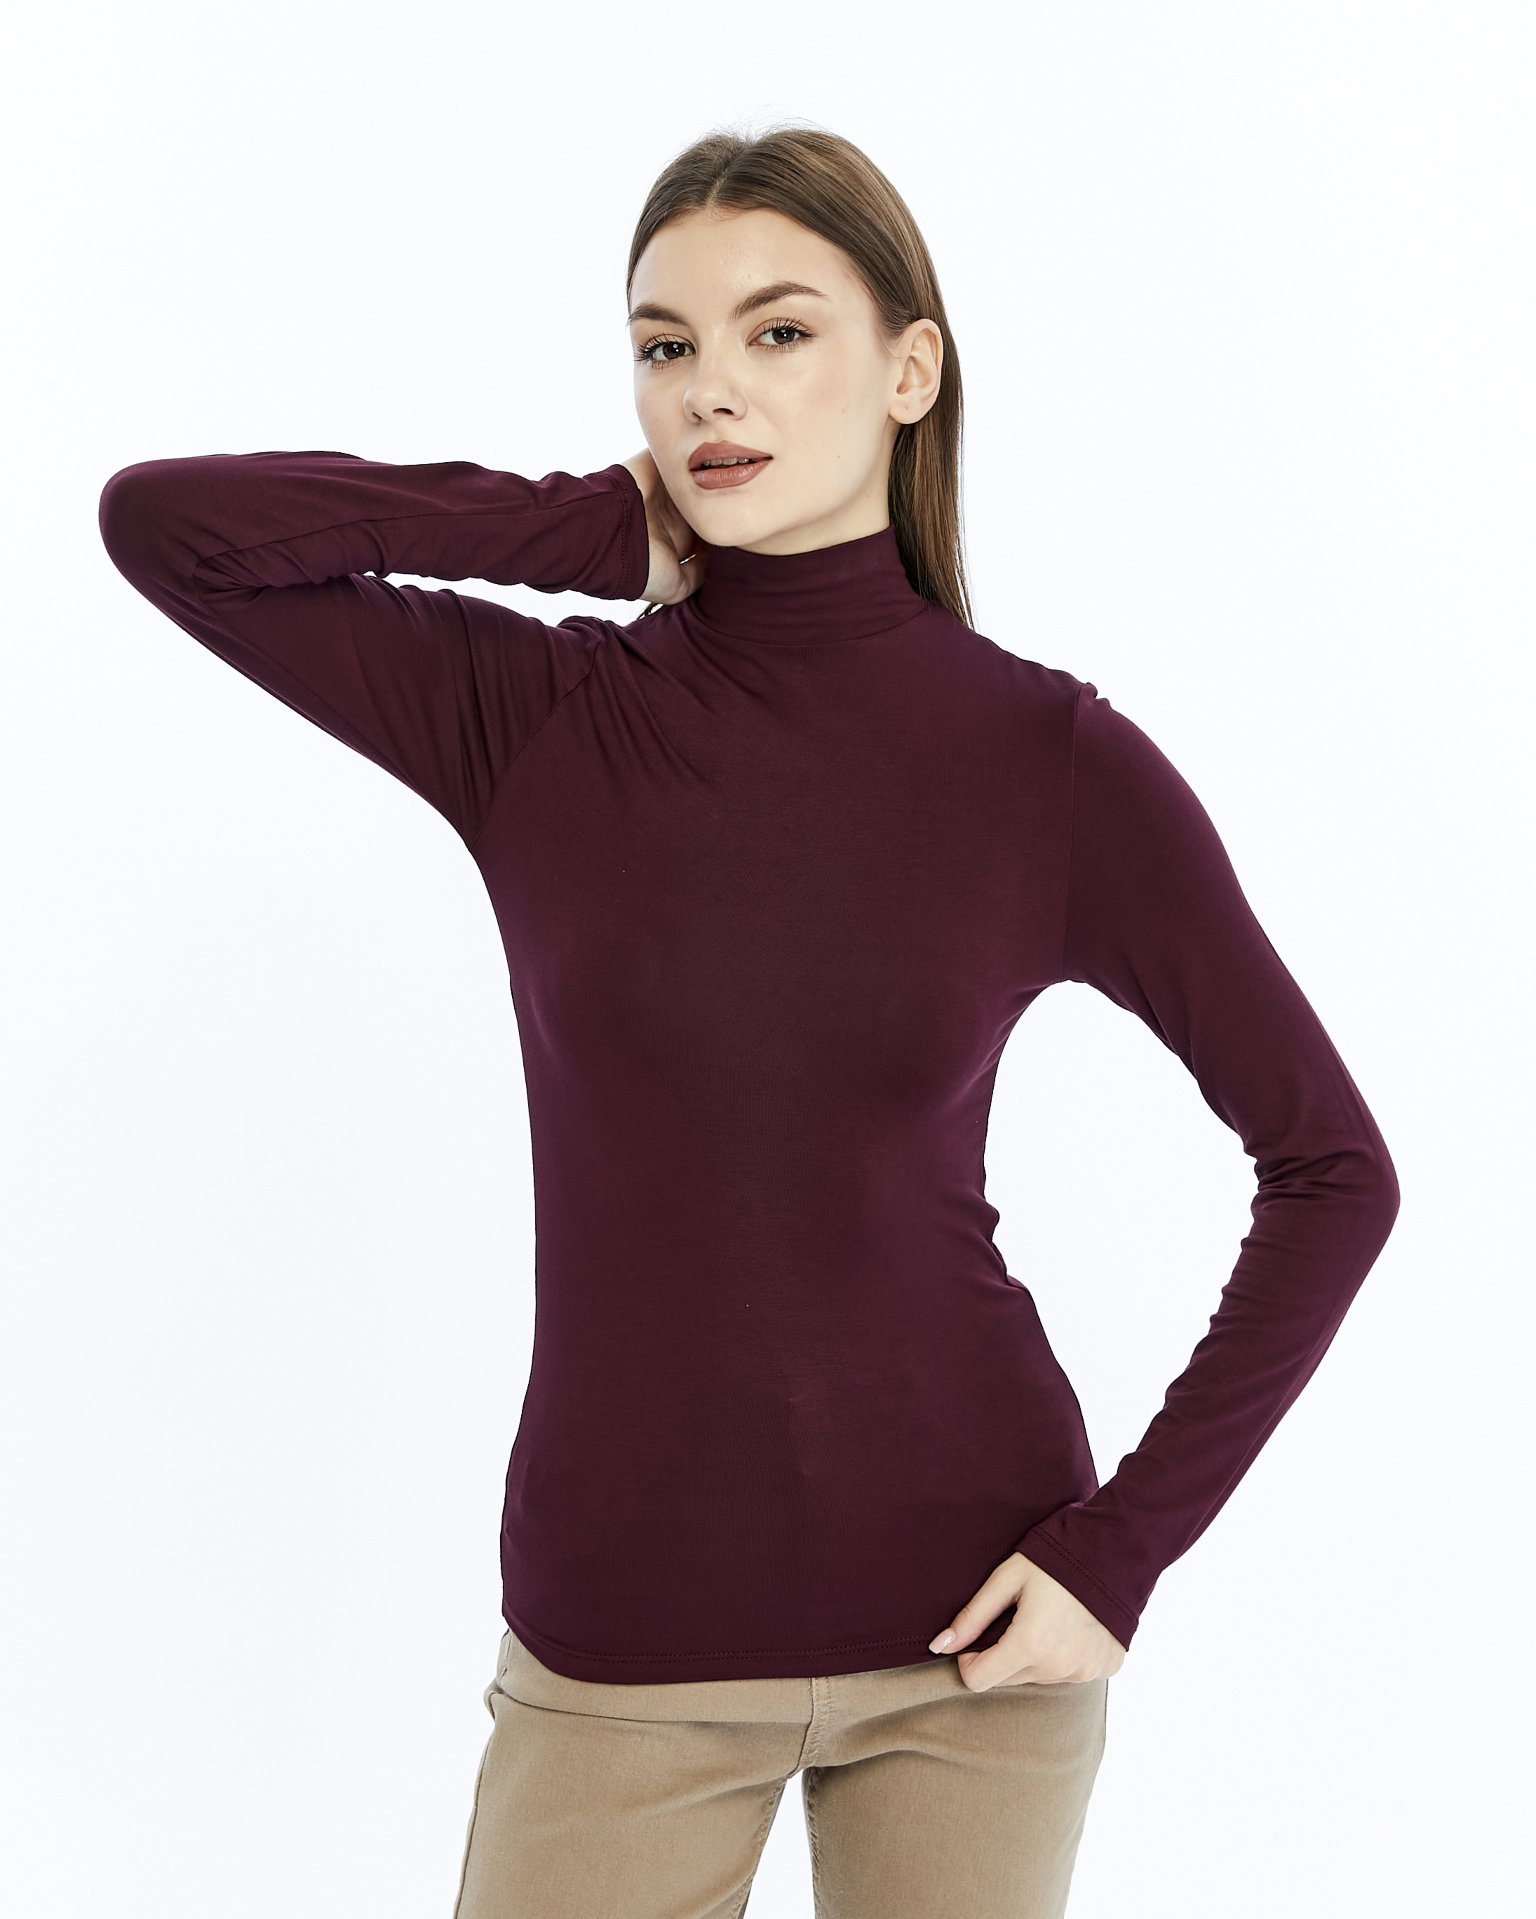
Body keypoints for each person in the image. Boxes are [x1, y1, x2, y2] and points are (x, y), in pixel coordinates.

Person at [98, 126, 1399, 1919]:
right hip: (624, 1632)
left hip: (976, 1638)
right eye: (666, 345)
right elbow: (167, 526)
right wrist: (586, 524)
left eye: (780, 332)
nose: (712, 387)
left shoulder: (1050, 762)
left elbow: (1333, 1169)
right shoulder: (533, 719)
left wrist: (1123, 1549)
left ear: (911, 370)